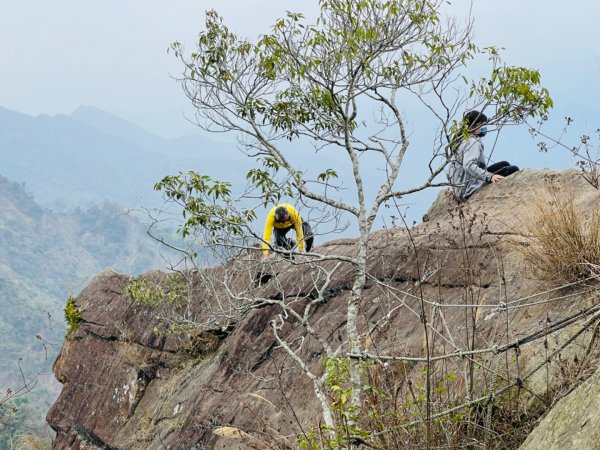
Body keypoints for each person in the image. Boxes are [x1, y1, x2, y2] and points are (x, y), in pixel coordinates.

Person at [446, 110, 519, 201]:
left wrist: (452, 186)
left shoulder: (460, 140)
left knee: (504, 163)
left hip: (460, 186)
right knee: (513, 169)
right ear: (473, 126)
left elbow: (451, 167)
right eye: (481, 125)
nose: (483, 128)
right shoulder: (473, 142)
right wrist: (490, 176)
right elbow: (468, 165)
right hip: (468, 188)